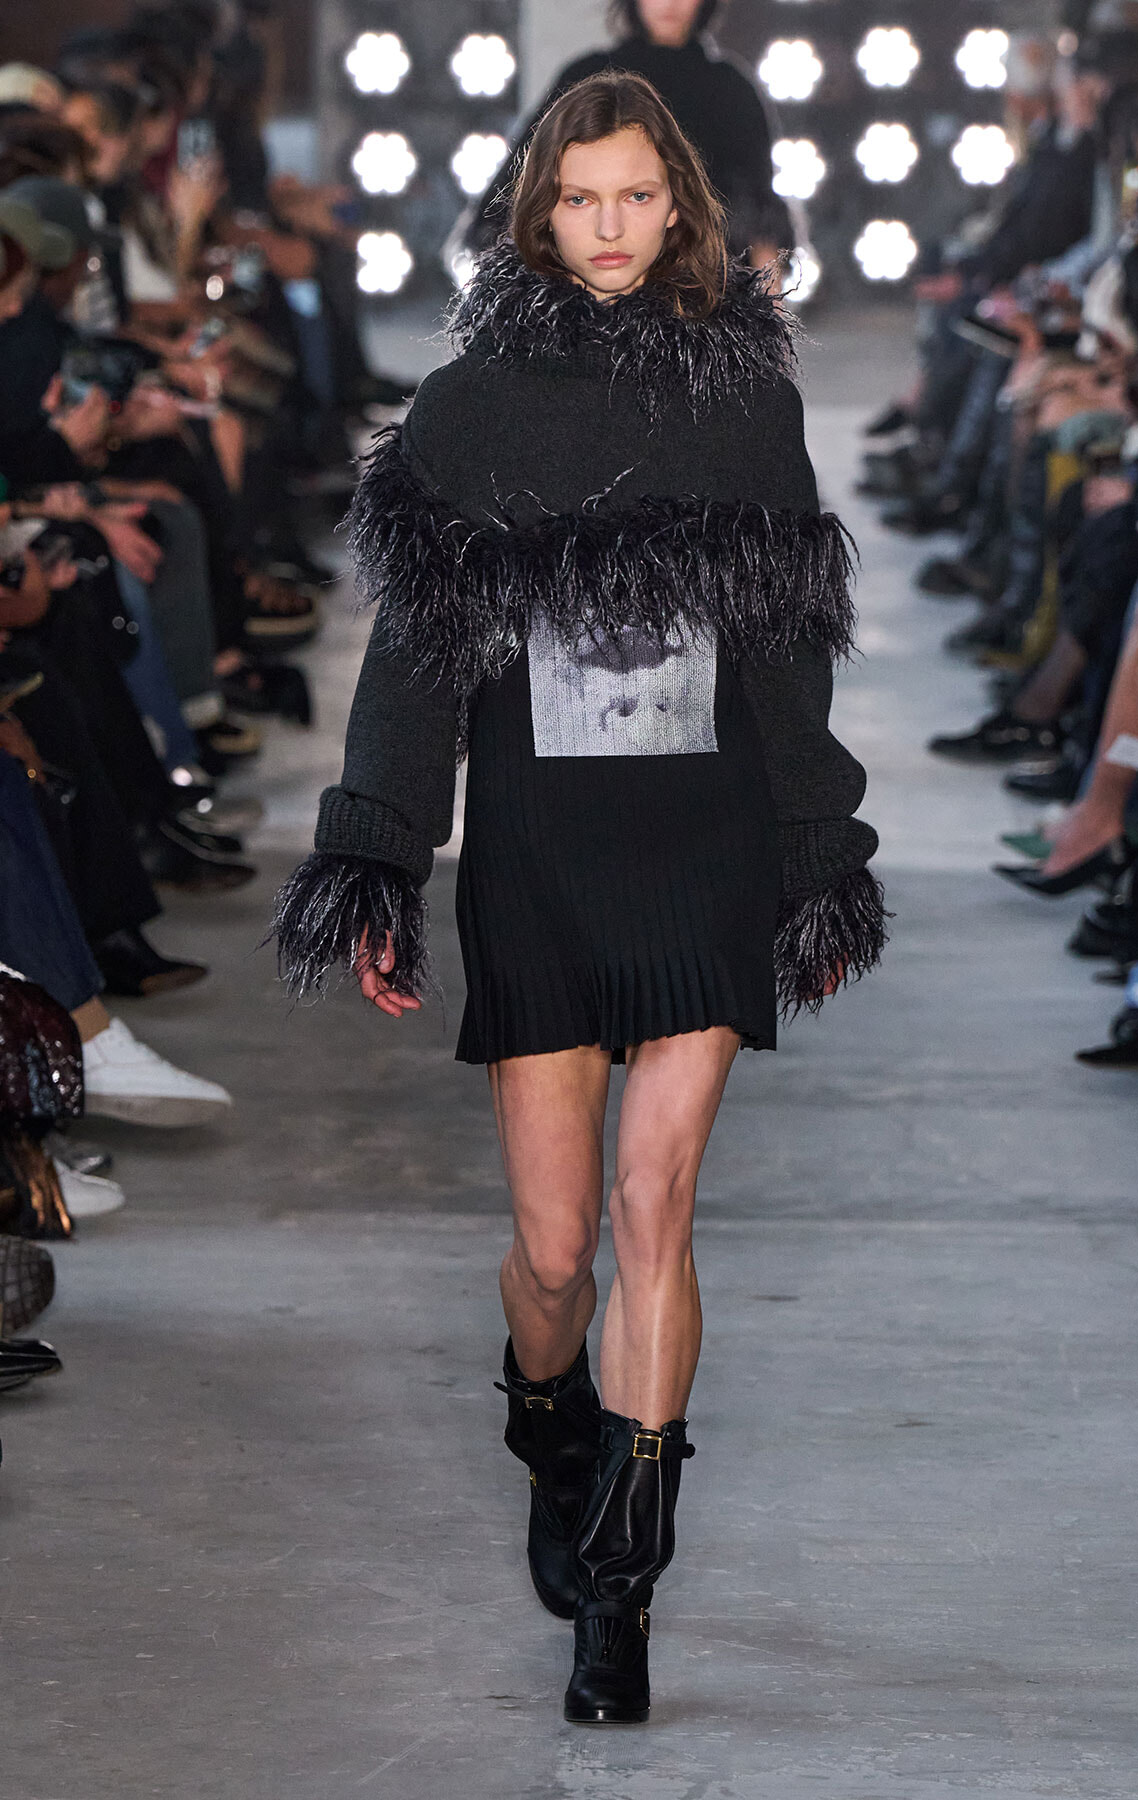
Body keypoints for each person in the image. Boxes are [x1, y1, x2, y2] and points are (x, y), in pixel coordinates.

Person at [273, 73, 884, 1725]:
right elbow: (412, 664)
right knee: (552, 1254)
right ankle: (549, 1415)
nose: (613, 227)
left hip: (700, 841)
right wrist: (380, 855)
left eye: (638, 196)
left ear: (678, 205)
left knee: (649, 1208)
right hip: (541, 844)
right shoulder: (468, 411)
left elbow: (783, 651)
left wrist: (821, 850)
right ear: (539, 214)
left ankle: (619, 1593)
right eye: (582, 200)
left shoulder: (746, 401)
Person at [462, 0, 790, 269]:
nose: (670, 3)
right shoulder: (587, 76)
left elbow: (762, 223)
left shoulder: (732, 90)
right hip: (588, 302)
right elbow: (519, 192)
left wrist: (768, 326)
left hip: (705, 301)